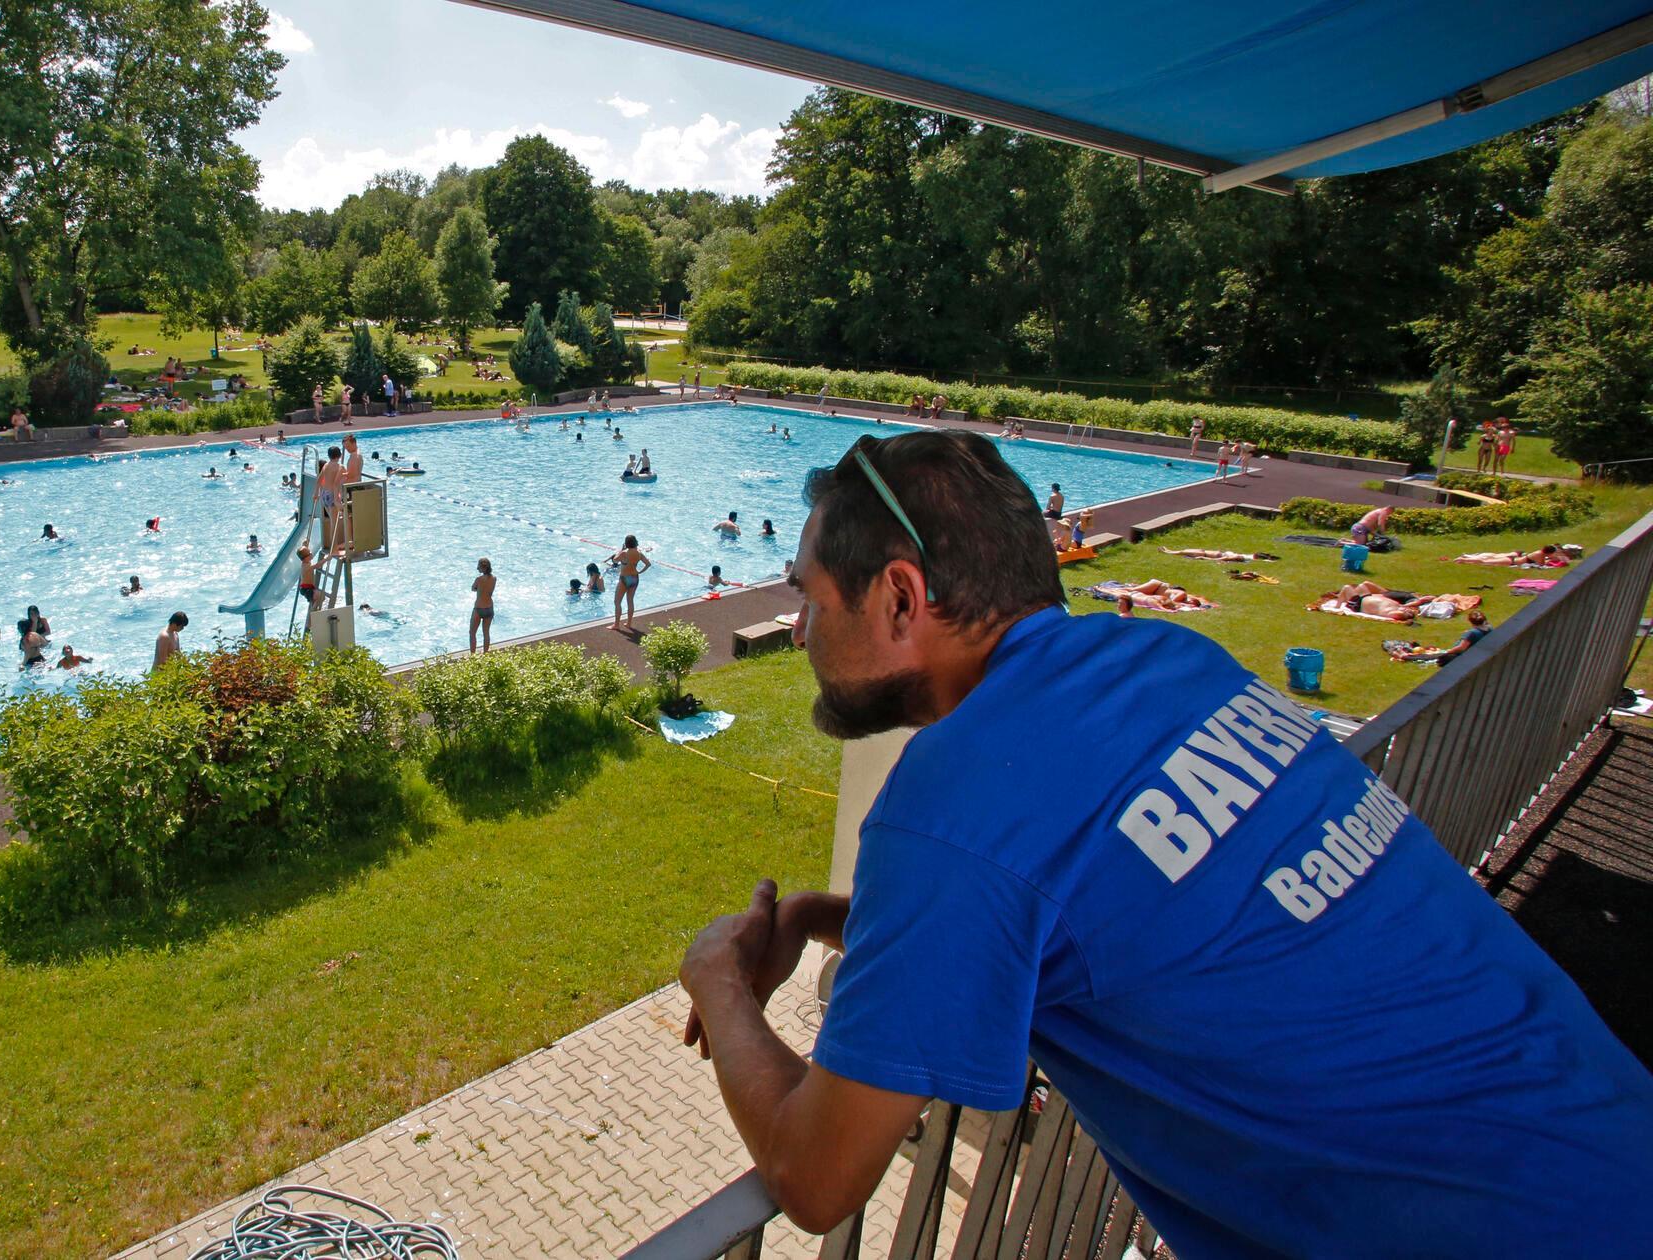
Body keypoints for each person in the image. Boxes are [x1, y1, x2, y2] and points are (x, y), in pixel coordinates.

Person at [672, 427, 1653, 1255]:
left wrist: (718, 977)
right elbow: (1100, 901)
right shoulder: (1168, 661)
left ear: (896, 598)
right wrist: (821, 916)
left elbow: (815, 1176)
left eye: (810, 595)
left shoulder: (951, 808)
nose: (797, 628)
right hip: (1605, 1134)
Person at [1390, 610, 1493, 665]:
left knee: (1433, 656)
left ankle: (1404, 656)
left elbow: (1461, 648)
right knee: (1435, 653)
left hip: (1461, 656)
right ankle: (1406, 655)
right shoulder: (1489, 629)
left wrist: (1449, 651)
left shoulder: (1472, 633)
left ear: (1470, 621)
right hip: (1475, 655)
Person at [612, 534, 650, 632]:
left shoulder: (624, 553)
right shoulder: (639, 553)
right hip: (635, 578)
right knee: (630, 601)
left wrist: (621, 550)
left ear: (626, 543)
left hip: (624, 578)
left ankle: (616, 624)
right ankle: (629, 623)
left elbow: (615, 560)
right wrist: (640, 572)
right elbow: (648, 564)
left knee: (617, 601)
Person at [469, 557, 496, 652]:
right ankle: (485, 654)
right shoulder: (494, 578)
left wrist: (478, 589)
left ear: (483, 568)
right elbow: (489, 591)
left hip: (479, 609)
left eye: (479, 567)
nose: (477, 569)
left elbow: (473, 588)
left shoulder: (479, 579)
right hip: (489, 608)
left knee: (472, 633)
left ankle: (472, 657)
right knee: (486, 633)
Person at [1162, 547, 1280, 562]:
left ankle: (1168, 552)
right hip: (1207, 553)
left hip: (1206, 554)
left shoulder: (1240, 557)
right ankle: (1169, 551)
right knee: (1185, 551)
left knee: (1184, 551)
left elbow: (1225, 558)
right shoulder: (1247, 556)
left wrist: (1203, 557)